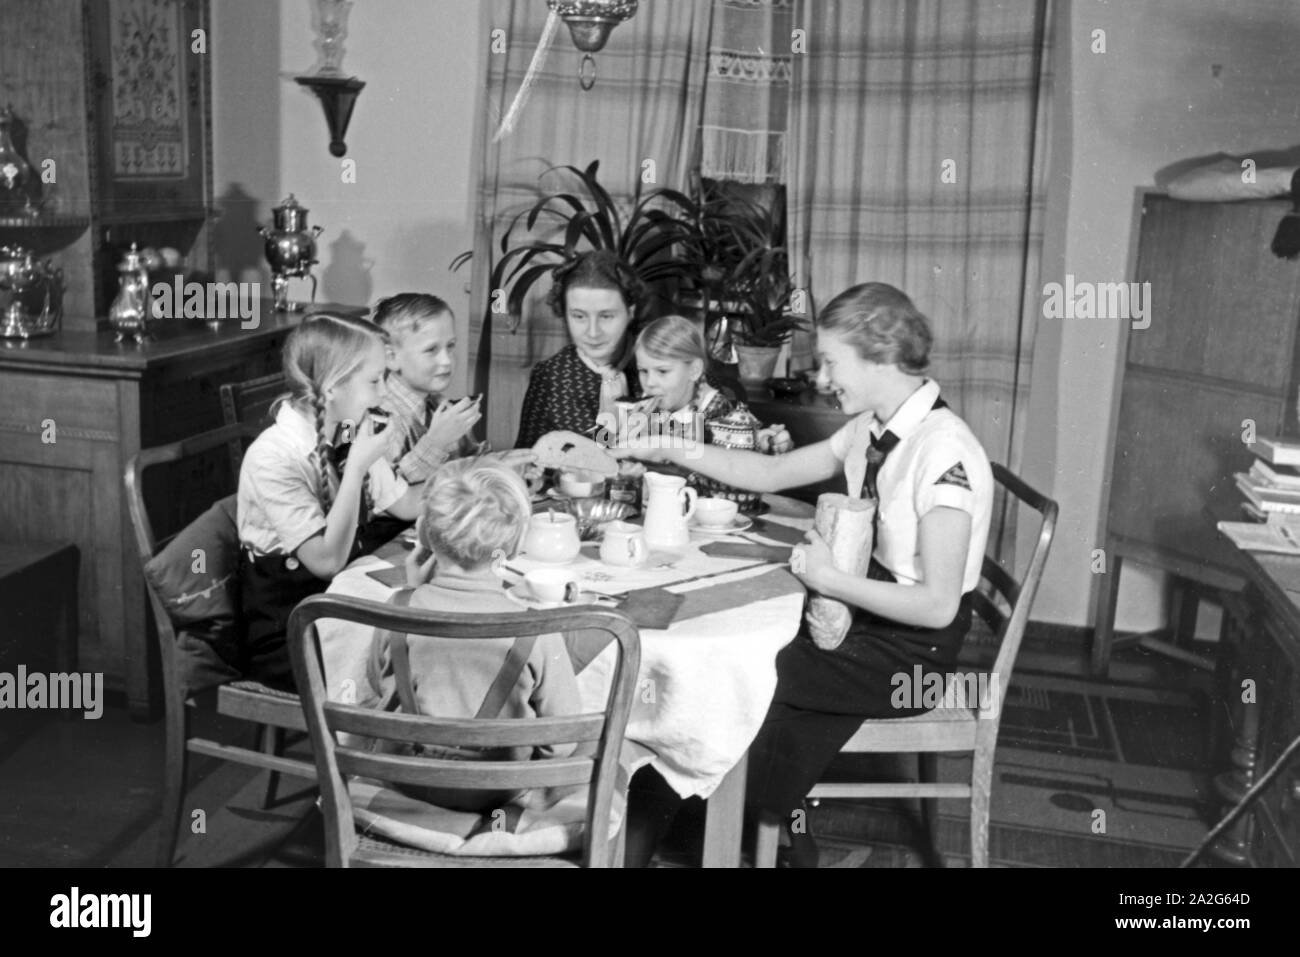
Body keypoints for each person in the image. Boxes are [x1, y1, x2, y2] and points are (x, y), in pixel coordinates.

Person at [613, 282, 994, 867]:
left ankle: (725, 829)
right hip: (867, 618)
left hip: (910, 652)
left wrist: (830, 580)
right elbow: (768, 472)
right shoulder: (871, 428)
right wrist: (668, 446)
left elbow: (939, 605)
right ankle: (770, 834)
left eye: (831, 361)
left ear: (880, 353)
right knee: (741, 670)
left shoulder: (943, 453)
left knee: (736, 679)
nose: (821, 377)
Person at [364, 459, 583, 813]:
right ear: (513, 547)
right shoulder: (536, 630)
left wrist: (412, 593)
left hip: (408, 779)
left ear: (424, 536)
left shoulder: (397, 607)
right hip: (498, 789)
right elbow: (562, 737)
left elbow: (378, 683)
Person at [236, 312, 422, 690]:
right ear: (332, 387)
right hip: (293, 628)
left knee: (430, 628)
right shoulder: (273, 456)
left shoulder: (349, 427)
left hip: (338, 599)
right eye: (375, 380)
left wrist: (478, 476)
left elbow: (404, 505)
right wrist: (356, 469)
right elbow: (325, 561)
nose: (384, 392)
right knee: (424, 644)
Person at [370, 293, 535, 525]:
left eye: (450, 346)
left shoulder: (440, 404)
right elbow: (395, 495)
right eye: (431, 350)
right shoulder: (378, 417)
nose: (446, 360)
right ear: (391, 357)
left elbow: (465, 464)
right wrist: (435, 443)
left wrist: (501, 463)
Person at [627, 314, 792, 504]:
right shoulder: (644, 410)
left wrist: (764, 443)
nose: (650, 383)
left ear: (694, 370)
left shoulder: (720, 413)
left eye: (662, 371)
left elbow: (728, 473)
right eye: (643, 371)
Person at [514, 250, 645, 448]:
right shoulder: (550, 377)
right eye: (579, 316)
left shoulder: (657, 364)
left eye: (606, 316)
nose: (593, 333)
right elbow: (527, 458)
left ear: (630, 312)